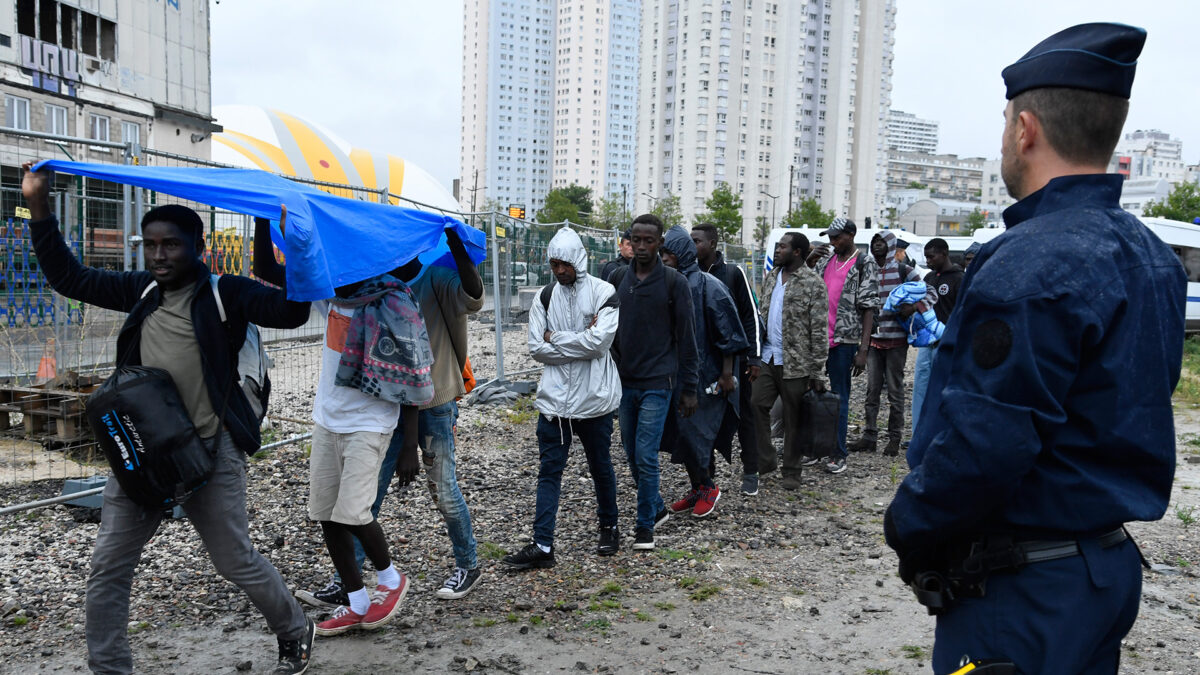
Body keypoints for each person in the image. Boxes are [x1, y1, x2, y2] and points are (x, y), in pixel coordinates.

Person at [884, 23, 1186, 674]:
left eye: (1002, 127)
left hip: (1024, 589)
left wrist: (908, 525)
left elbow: (985, 443)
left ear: (1025, 130)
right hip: (1099, 574)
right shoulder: (1155, 260)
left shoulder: (1027, 266)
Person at [20, 163, 316, 675]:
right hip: (145, 453)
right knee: (109, 566)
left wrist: (286, 239)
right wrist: (39, 206)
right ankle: (110, 667)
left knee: (234, 560)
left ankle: (294, 628)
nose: (158, 255)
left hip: (211, 447)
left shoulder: (228, 294)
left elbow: (292, 312)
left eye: (171, 245)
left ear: (197, 248)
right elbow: (67, 276)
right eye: (151, 244)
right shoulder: (139, 291)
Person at [291, 223, 486, 606]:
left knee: (443, 488)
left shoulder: (435, 279)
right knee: (366, 497)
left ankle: (469, 563)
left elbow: (474, 297)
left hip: (431, 403)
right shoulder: (371, 284)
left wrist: (455, 245)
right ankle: (347, 582)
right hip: (383, 407)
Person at [302, 268, 430, 636]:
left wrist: (410, 445)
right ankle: (357, 601)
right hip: (328, 420)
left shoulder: (394, 302)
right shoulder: (330, 297)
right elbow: (276, 273)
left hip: (370, 423)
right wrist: (267, 219)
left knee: (354, 514)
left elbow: (412, 376)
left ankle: (390, 579)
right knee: (326, 514)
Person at [501, 227, 622, 569]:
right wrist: (581, 337)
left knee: (601, 468)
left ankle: (609, 527)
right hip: (554, 404)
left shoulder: (604, 292)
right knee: (549, 472)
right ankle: (542, 545)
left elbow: (601, 344)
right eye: (553, 264)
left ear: (577, 261)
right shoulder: (544, 296)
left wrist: (559, 338)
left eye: (563, 264)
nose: (558, 270)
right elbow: (537, 348)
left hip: (594, 401)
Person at [610, 214, 698, 550]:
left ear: (660, 243)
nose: (642, 246)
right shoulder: (619, 278)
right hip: (625, 383)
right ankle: (657, 506)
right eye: (637, 239)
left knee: (646, 454)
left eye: (649, 241)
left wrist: (689, 388)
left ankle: (644, 526)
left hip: (659, 383)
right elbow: (607, 328)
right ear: (629, 240)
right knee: (631, 453)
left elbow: (688, 339)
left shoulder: (675, 283)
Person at [659, 226, 747, 518]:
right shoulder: (669, 283)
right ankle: (697, 486)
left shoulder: (709, 286)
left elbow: (729, 334)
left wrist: (726, 374)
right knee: (682, 434)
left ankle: (708, 486)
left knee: (699, 433)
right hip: (677, 373)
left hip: (707, 374)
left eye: (669, 255)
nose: (664, 260)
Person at [752, 232, 828, 490]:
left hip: (796, 362)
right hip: (768, 356)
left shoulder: (812, 282)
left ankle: (792, 470)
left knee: (794, 418)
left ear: (797, 252)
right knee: (756, 405)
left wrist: (817, 371)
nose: (777, 251)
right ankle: (766, 460)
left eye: (782, 247)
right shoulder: (773, 276)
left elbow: (818, 329)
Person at [691, 223, 762, 496]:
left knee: (744, 414)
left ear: (712, 244)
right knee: (704, 417)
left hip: (738, 358)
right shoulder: (690, 274)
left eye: (697, 240)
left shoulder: (733, 273)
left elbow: (750, 316)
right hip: (705, 362)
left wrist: (754, 357)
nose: (693, 245)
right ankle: (706, 475)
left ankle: (751, 470)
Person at [848, 231, 931, 457]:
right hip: (873, 341)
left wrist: (913, 308)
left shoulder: (904, 270)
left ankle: (895, 437)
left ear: (891, 246)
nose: (877, 245)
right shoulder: (866, 269)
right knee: (871, 391)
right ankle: (869, 436)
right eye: (874, 242)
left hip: (896, 341)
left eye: (881, 242)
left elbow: (930, 292)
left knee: (895, 392)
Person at [808, 218, 879, 474]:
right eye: (830, 237)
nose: (832, 242)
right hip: (819, 339)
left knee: (839, 397)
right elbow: (807, 286)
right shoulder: (827, 260)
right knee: (813, 393)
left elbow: (869, 307)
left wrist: (863, 349)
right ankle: (816, 448)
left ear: (851, 235)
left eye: (837, 237)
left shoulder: (864, 262)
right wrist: (809, 260)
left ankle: (838, 453)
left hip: (844, 340)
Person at [909, 238, 962, 439]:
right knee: (921, 388)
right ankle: (918, 433)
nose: (928, 261)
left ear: (944, 254)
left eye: (931, 256)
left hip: (947, 343)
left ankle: (942, 433)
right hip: (926, 343)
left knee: (943, 388)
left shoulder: (959, 279)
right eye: (926, 257)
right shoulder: (929, 278)